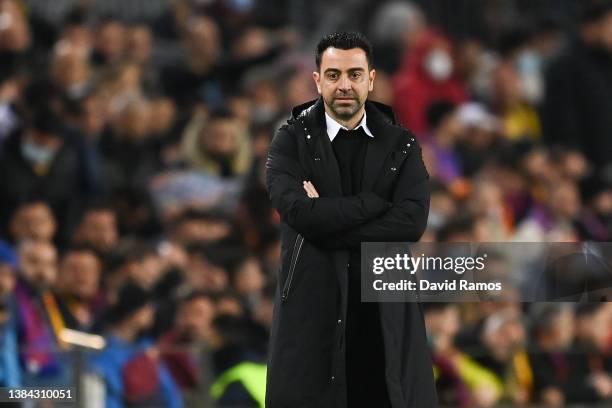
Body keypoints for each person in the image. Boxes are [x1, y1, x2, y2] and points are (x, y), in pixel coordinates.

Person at [265, 32, 437, 407]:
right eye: (333, 75)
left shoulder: (401, 144)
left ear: (371, 79)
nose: (344, 85)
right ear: (317, 80)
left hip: (384, 313)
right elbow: (296, 212)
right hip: (314, 307)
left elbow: (411, 221)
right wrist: (376, 203)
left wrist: (325, 218)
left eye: (355, 74)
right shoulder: (289, 141)